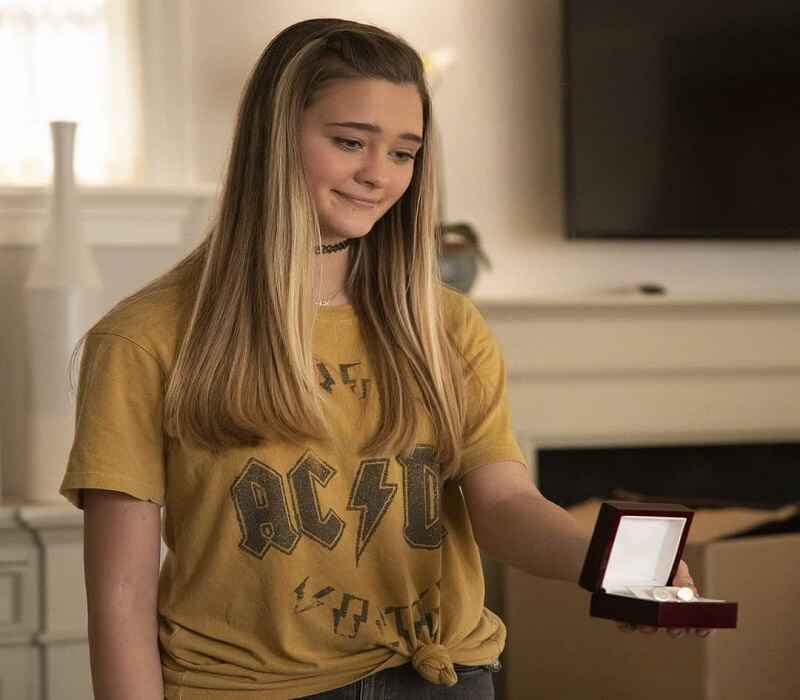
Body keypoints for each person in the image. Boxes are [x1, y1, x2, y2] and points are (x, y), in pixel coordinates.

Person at [58, 17, 708, 700]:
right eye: (349, 142)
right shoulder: (144, 339)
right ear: (274, 140)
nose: (379, 175)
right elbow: (121, 598)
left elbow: (503, 503)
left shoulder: (446, 327)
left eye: (404, 153)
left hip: (447, 680)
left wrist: (606, 561)